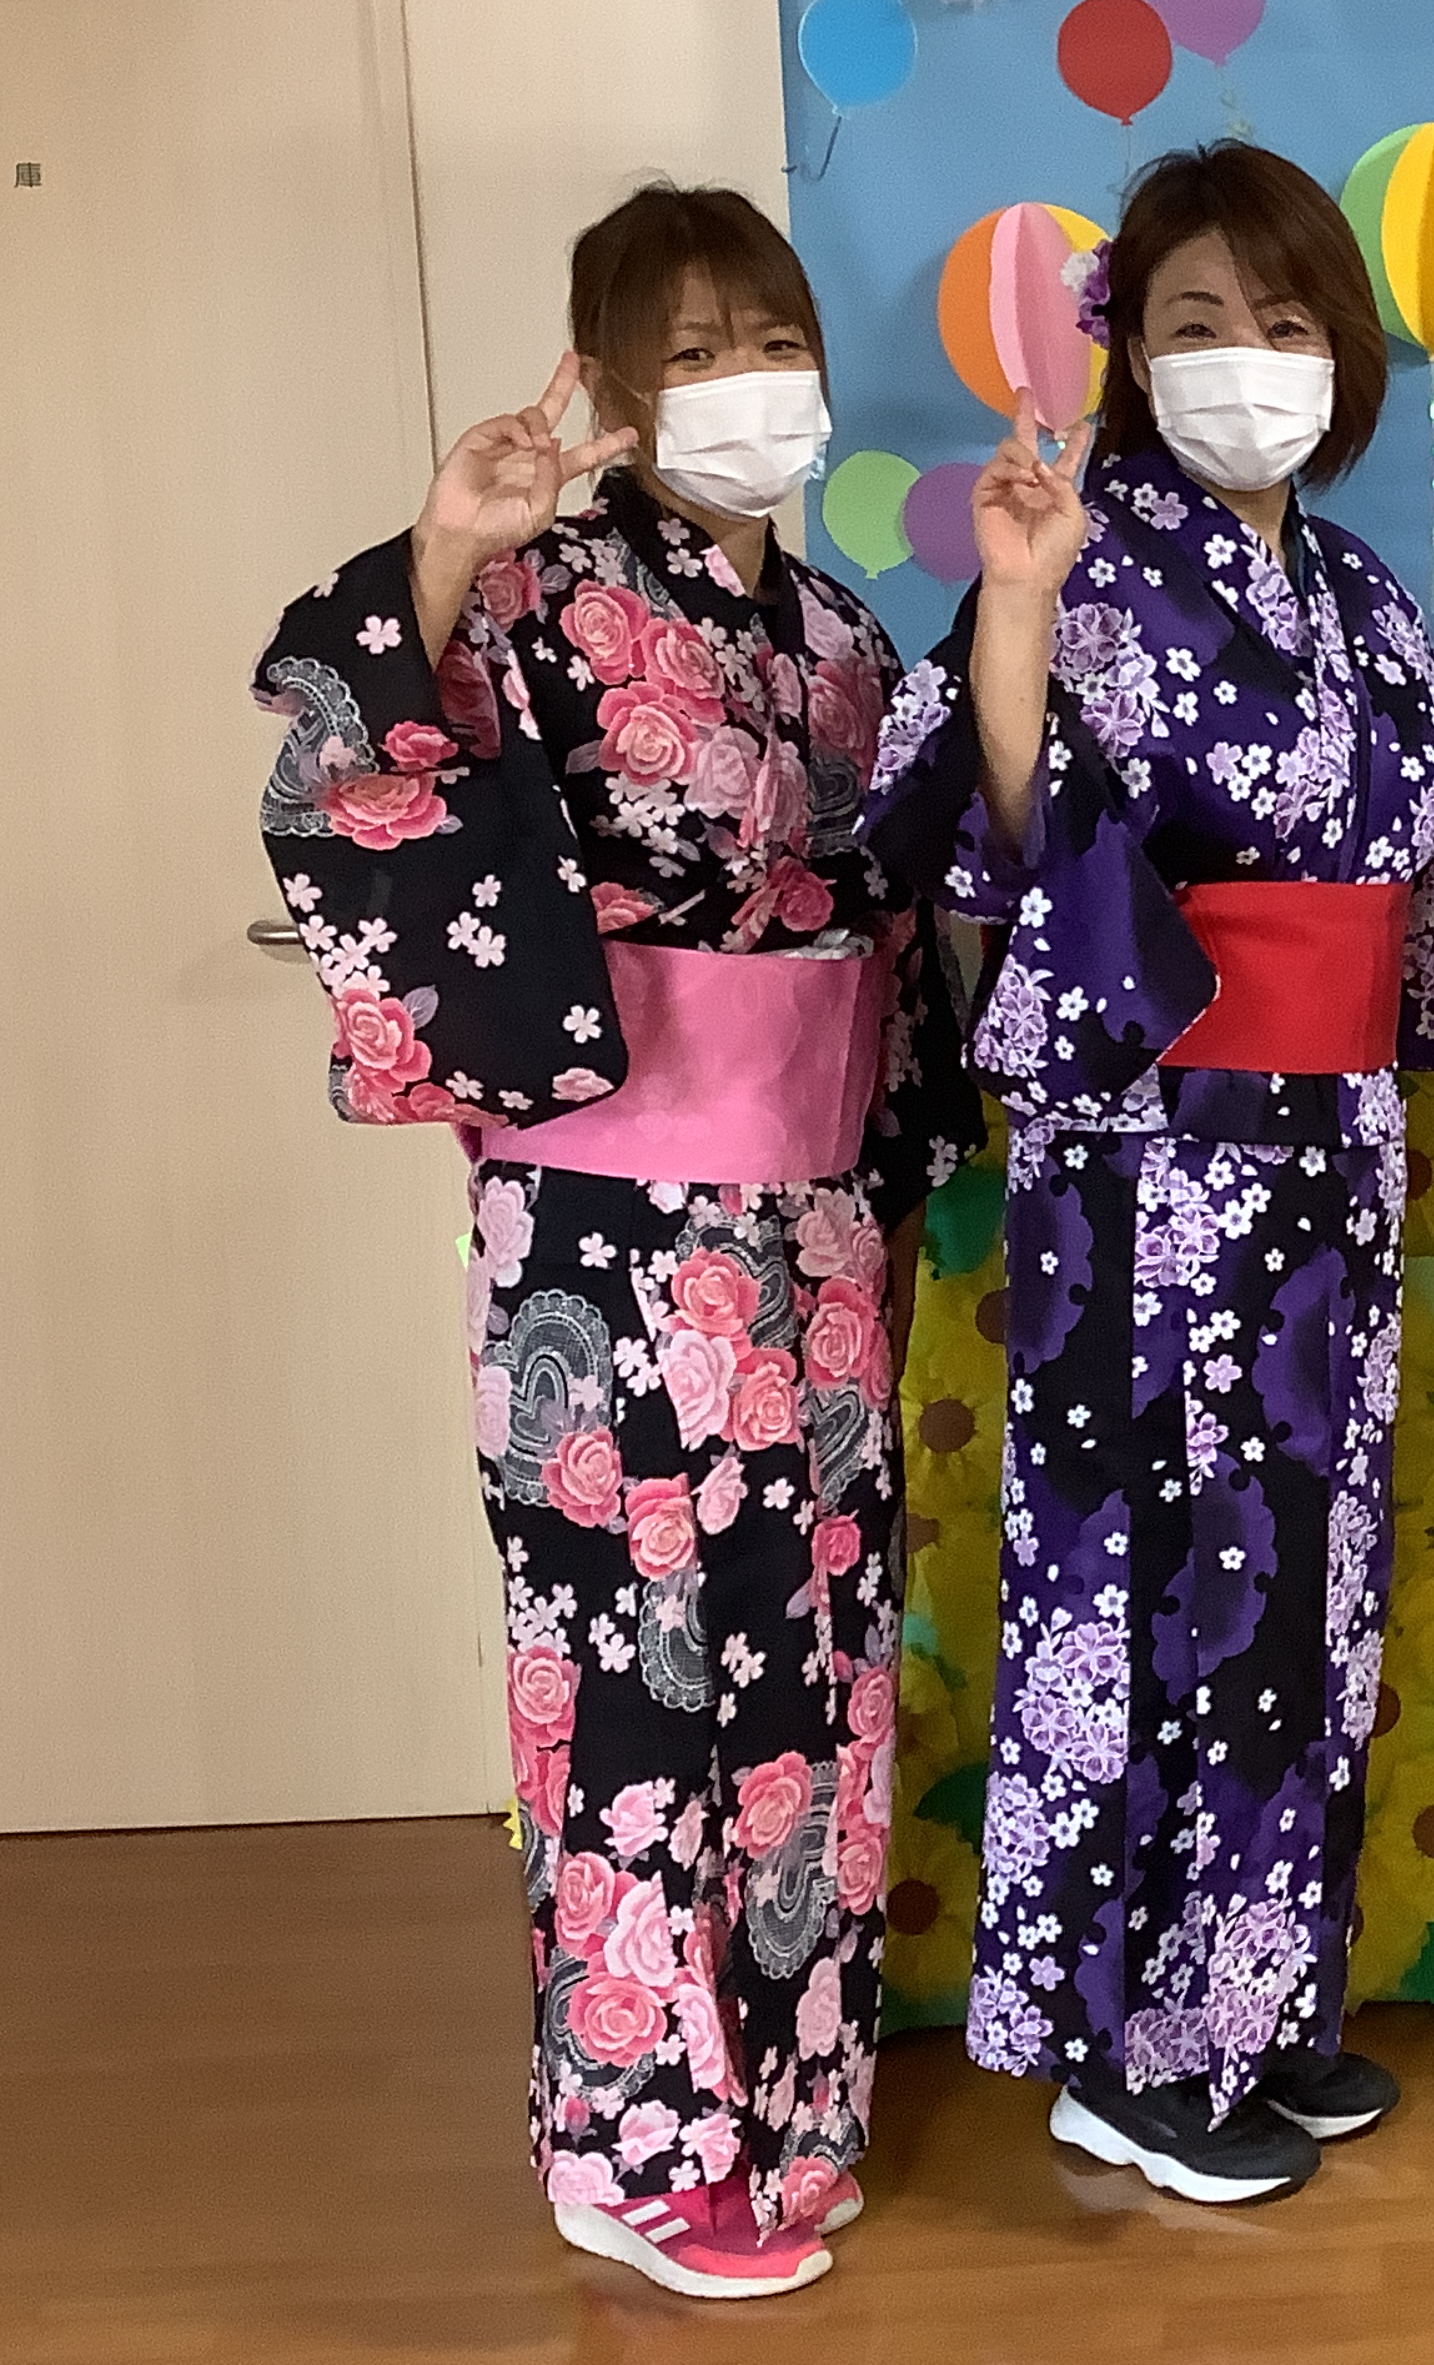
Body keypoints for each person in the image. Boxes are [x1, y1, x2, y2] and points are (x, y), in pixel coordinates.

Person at [865, 141, 1434, 2207]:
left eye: (1285, 321)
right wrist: (1015, 608)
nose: (1245, 358)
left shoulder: (1357, 589)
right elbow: (995, 835)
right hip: (1157, 1153)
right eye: (1196, 322)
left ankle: (1255, 2000)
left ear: (1345, 356)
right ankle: (1127, 2052)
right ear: (1128, 354)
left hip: (1333, 1156)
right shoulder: (1079, 556)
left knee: (1299, 1582)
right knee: (1152, 1583)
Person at [251, 184, 982, 2300]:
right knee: (633, 1664)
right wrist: (444, 550)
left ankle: (795, 2104)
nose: (751, 382)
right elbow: (350, 762)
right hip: (607, 1225)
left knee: (818, 1650)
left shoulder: (841, 640)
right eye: (695, 349)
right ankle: (634, 2137)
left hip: (816, 1225)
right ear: (615, 386)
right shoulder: (537, 596)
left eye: (777, 339)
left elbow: (895, 938)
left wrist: (895, 1177)